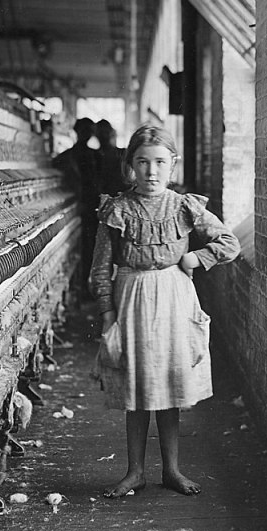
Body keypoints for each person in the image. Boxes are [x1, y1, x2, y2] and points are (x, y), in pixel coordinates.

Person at [89, 124, 240, 498]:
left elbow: (229, 243)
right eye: (142, 162)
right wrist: (108, 315)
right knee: (138, 385)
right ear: (130, 166)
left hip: (175, 295)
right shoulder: (117, 209)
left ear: (172, 165)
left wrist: (196, 257)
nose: (151, 171)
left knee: (170, 384)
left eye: (159, 162)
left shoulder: (185, 206)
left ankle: (172, 470)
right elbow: (99, 268)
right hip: (132, 297)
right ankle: (134, 472)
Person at [53, 117, 102, 295]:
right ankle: (82, 287)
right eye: (84, 130)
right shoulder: (70, 156)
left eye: (89, 131)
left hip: (89, 207)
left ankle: (85, 287)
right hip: (78, 206)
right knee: (83, 248)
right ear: (77, 132)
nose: (86, 134)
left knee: (89, 248)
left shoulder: (93, 156)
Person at [95, 119, 127, 196]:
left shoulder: (123, 153)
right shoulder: (95, 156)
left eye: (106, 133)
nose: (104, 137)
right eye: (102, 134)